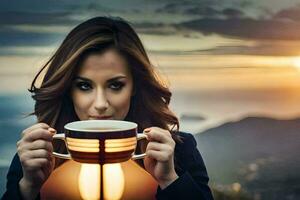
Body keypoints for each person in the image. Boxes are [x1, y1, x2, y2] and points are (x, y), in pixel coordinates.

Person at [1, 16, 214, 200]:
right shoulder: (36, 156)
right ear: (68, 90)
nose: (101, 104)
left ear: (135, 86)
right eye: (84, 86)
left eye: (115, 85)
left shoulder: (179, 152)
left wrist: (170, 180)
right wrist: (27, 188)